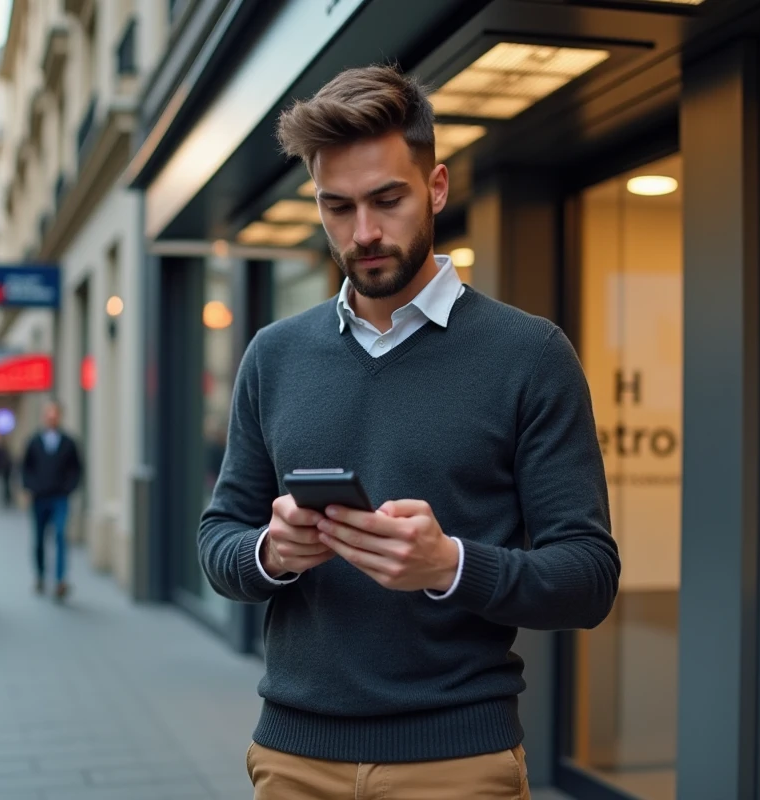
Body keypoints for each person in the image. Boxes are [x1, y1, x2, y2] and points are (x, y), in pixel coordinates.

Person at [198, 66, 620, 799]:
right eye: (338, 207)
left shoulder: (530, 355)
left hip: (457, 763)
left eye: (387, 200)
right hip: (292, 758)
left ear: (436, 188)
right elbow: (217, 541)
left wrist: (450, 565)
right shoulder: (274, 354)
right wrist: (271, 551)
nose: (363, 233)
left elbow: (587, 578)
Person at [20, 402, 83, 599]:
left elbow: (77, 469)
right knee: (39, 539)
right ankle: (40, 575)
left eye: (54, 415)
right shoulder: (34, 441)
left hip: (59, 497)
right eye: (48, 415)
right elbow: (25, 467)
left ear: (60, 417)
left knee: (60, 536)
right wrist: (30, 487)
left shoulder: (68, 442)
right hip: (39, 497)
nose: (51, 418)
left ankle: (60, 580)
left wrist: (69, 488)